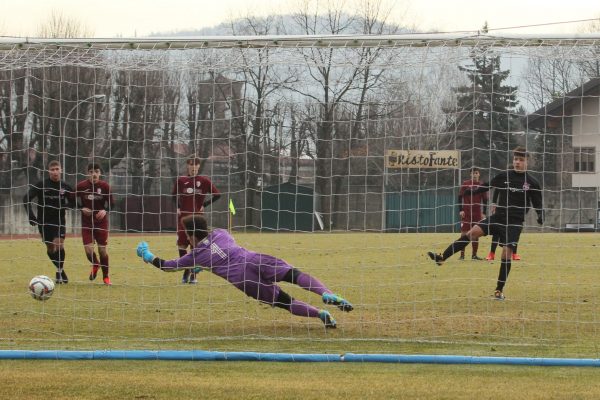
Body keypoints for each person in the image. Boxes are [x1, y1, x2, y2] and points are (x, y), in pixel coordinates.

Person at [136, 214, 353, 328]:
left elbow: (167, 266)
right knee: (294, 275)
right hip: (255, 259)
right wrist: (202, 263)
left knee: (284, 302)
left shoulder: (193, 256)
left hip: (242, 279)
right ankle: (325, 293)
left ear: (191, 235)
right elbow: (217, 251)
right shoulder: (221, 232)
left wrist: (148, 256)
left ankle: (320, 314)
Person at [427, 147, 543, 300]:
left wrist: (541, 215)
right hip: (498, 217)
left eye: (521, 160)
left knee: (506, 254)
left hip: (514, 223)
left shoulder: (532, 182)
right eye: (515, 159)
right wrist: (473, 191)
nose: (517, 162)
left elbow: (537, 203)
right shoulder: (504, 176)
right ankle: (442, 258)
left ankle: (498, 291)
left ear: (527, 162)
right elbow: (487, 185)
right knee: (471, 233)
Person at [23, 160, 75, 284]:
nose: (55, 172)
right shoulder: (41, 184)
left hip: (59, 220)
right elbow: (26, 198)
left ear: (61, 170)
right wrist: (31, 215)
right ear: (48, 171)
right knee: (51, 248)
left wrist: (65, 206)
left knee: (59, 244)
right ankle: (61, 271)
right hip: (44, 222)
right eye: (52, 170)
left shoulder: (66, 186)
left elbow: (74, 202)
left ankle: (59, 271)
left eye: (57, 169)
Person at [172, 155, 221, 284]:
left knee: (196, 246)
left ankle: (193, 274)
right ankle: (186, 269)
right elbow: (173, 196)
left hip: (197, 219)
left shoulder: (204, 181)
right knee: (182, 245)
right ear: (188, 166)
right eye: (191, 166)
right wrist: (177, 207)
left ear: (198, 167)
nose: (193, 169)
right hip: (183, 219)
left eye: (196, 167)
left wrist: (204, 205)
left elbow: (217, 195)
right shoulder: (181, 180)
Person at [76, 163, 115, 285]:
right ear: (88, 173)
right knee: (88, 251)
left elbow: (112, 204)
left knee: (102, 250)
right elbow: (72, 201)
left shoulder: (105, 186)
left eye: (96, 171)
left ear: (100, 173)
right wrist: (81, 208)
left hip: (101, 222)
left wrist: (105, 210)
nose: (94, 174)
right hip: (87, 223)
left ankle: (106, 277)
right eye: (91, 171)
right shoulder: (81, 186)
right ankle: (95, 264)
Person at [457, 167, 488, 260]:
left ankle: (474, 255)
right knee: (463, 234)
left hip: (477, 213)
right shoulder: (465, 184)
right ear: (470, 174)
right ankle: (462, 255)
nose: (474, 174)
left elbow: (485, 200)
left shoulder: (482, 185)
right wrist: (461, 210)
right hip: (466, 213)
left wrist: (484, 213)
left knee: (476, 233)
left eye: (476, 173)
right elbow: (459, 197)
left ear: (479, 174)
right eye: (473, 173)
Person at [486, 190, 521, 261]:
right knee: (496, 230)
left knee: (514, 231)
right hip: (501, 209)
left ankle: (514, 254)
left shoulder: (517, 182)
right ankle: (492, 254)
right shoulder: (503, 180)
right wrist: (494, 203)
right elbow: (496, 191)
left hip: (513, 210)